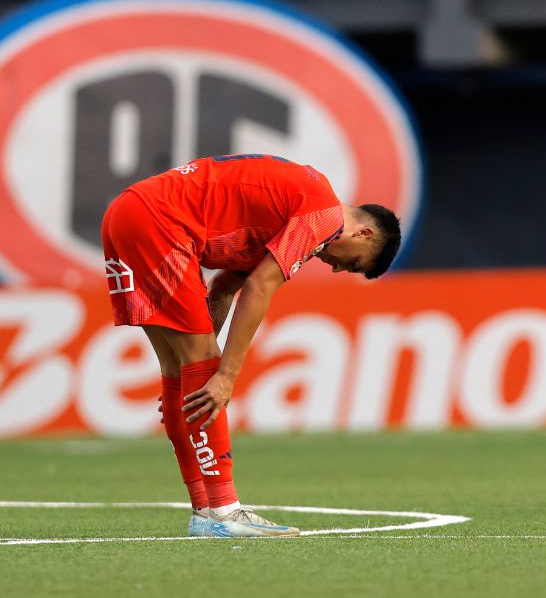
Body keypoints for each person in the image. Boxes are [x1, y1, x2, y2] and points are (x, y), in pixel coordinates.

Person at [101, 154, 402, 537]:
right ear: (364, 234)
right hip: (159, 220)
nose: (337, 268)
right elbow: (260, 287)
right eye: (353, 264)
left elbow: (224, 290)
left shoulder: (287, 214)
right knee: (206, 369)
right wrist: (224, 375)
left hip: (129, 212)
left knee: (182, 373)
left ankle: (205, 512)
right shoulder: (323, 216)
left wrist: (203, 369)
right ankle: (226, 512)